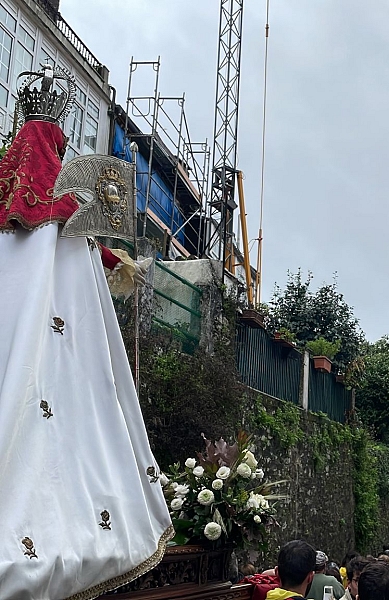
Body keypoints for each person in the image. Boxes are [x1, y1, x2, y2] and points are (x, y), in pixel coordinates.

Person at [0, 66, 172, 600]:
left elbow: (34, 212)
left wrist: (99, 245)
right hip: (45, 317)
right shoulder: (50, 181)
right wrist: (90, 222)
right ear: (51, 139)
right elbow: (46, 212)